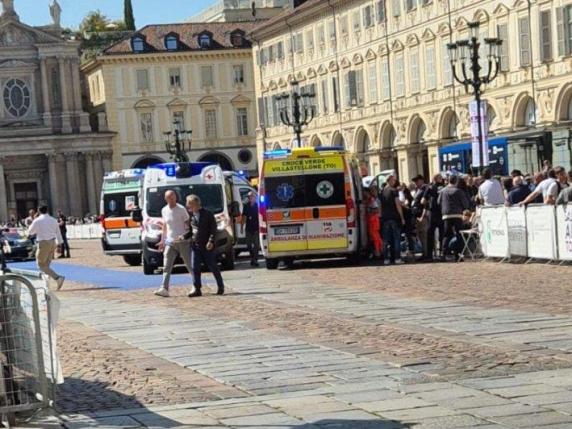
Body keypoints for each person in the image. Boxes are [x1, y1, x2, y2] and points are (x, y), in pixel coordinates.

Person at [154, 190, 194, 298]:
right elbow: (165, 225)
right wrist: (163, 240)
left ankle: (196, 284)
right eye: (170, 198)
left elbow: (188, 224)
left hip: (182, 241)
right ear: (166, 199)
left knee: (189, 264)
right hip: (170, 242)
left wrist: (187, 236)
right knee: (166, 265)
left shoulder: (181, 209)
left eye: (173, 197)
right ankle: (164, 288)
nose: (172, 199)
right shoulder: (164, 210)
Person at [187, 194, 225, 297]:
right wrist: (183, 237)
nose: (188, 207)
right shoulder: (191, 216)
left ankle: (220, 286)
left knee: (212, 266)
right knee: (195, 267)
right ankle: (197, 288)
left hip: (207, 245)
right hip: (196, 245)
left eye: (189, 205)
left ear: (195, 204)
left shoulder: (207, 214)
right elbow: (191, 231)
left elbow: (213, 229)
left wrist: (211, 241)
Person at [28, 206, 65, 290]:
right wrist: (59, 244)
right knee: (47, 265)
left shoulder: (37, 220)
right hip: (52, 242)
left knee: (40, 264)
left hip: (43, 243)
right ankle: (46, 284)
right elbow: (58, 233)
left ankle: (57, 278)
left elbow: (30, 231)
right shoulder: (53, 220)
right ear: (47, 210)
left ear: (39, 211)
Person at [438, 175, 471, 261]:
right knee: (459, 235)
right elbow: (465, 204)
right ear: (456, 181)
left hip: (446, 215)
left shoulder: (443, 191)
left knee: (446, 235)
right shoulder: (458, 191)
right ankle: (458, 254)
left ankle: (443, 254)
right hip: (457, 215)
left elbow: (438, 202)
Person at [380, 175, 405, 265]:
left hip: (385, 218)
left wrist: (381, 216)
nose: (395, 181)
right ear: (390, 180)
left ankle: (386, 259)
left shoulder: (382, 191)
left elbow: (380, 206)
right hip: (394, 217)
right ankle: (397, 258)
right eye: (394, 180)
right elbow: (398, 204)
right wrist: (402, 217)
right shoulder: (394, 191)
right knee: (396, 239)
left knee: (386, 240)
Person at [421, 174, 444, 261]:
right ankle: (442, 253)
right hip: (441, 212)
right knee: (442, 234)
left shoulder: (429, 187)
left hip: (432, 212)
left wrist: (428, 203)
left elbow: (422, 201)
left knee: (430, 234)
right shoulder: (443, 187)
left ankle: (429, 255)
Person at [241, 191, 260, 267]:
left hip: (256, 228)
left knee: (256, 245)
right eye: (249, 197)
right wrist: (242, 227)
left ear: (255, 197)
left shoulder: (258, 206)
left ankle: (255, 259)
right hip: (248, 228)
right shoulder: (246, 206)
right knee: (248, 245)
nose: (250, 198)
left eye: (252, 196)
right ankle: (252, 257)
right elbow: (244, 217)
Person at [365, 187, 382, 259]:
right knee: (373, 237)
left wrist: (369, 211)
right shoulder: (368, 200)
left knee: (376, 237)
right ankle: (378, 251)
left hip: (374, 221)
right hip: (371, 221)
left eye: (365, 192)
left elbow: (377, 210)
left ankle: (379, 252)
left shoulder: (372, 200)